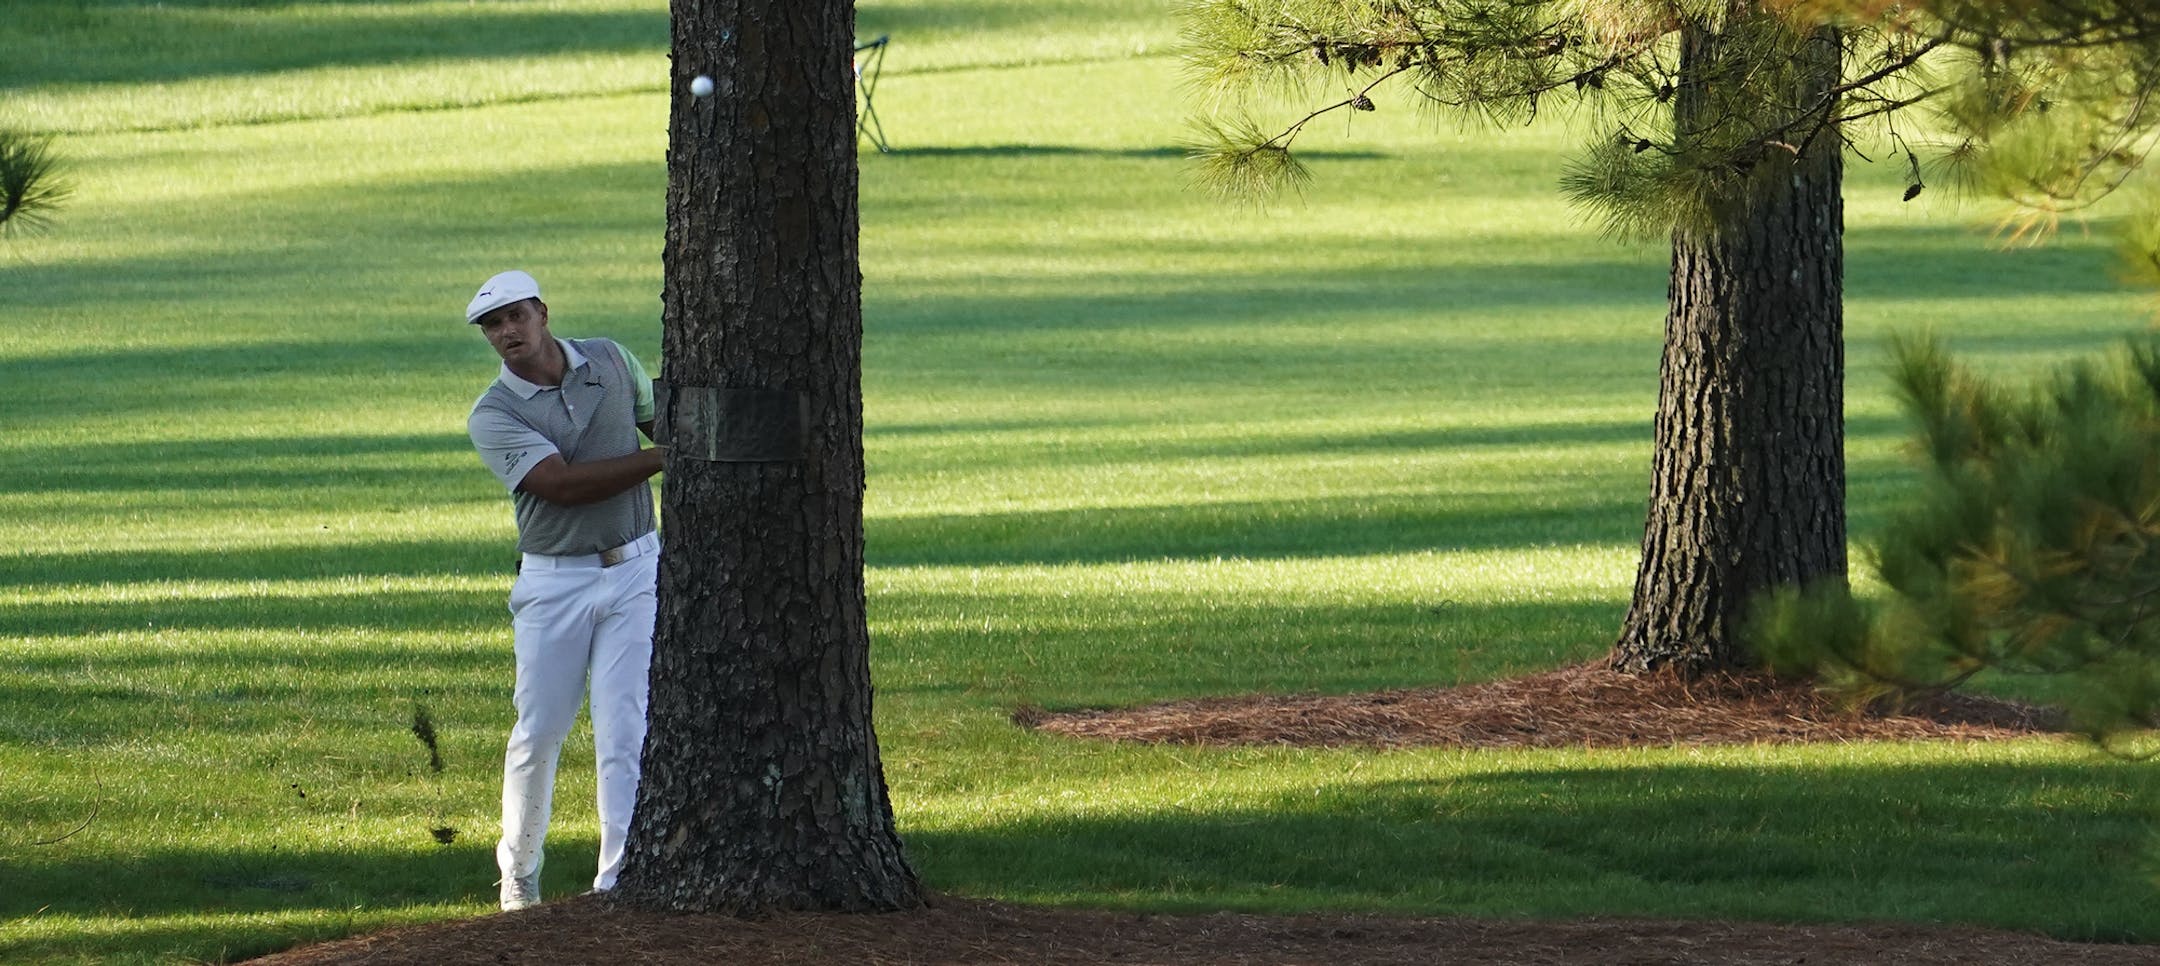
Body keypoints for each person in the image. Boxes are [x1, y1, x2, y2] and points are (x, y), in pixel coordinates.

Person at [463, 269, 665, 911]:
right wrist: (674, 456)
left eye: (514, 316)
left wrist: (683, 439)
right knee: (541, 729)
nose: (505, 333)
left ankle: (619, 877)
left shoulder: (611, 358)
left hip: (636, 568)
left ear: (542, 313)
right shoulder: (493, 415)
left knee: (625, 725)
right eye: (492, 326)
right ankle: (519, 875)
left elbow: (660, 419)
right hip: (554, 583)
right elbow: (564, 486)